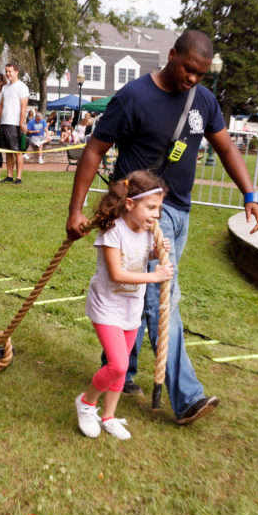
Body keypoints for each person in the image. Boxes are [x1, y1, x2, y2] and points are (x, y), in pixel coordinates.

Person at [66, 29, 258, 426]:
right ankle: (187, 397)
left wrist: (250, 192)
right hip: (139, 212)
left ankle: (120, 369)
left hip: (180, 212)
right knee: (162, 295)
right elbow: (95, 150)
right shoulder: (133, 97)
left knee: (141, 289)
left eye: (201, 74)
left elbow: (225, 147)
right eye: (188, 69)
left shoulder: (203, 101)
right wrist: (76, 210)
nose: (193, 78)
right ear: (172, 54)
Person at [75, 170, 174, 440]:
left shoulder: (147, 232)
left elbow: (139, 255)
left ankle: (108, 416)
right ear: (130, 204)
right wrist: (155, 276)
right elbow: (117, 274)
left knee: (121, 367)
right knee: (118, 365)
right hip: (106, 307)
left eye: (159, 208)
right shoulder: (113, 231)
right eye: (151, 207)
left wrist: (155, 252)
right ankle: (86, 402)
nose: (156, 215)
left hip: (131, 308)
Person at [0, 62, 29, 184]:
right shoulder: (5, 88)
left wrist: (21, 123)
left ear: (16, 72)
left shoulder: (22, 87)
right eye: (6, 71)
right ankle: (9, 176)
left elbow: (24, 107)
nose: (8, 74)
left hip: (15, 124)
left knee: (17, 152)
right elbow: (1, 106)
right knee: (8, 152)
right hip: (4, 123)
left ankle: (18, 178)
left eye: (10, 71)